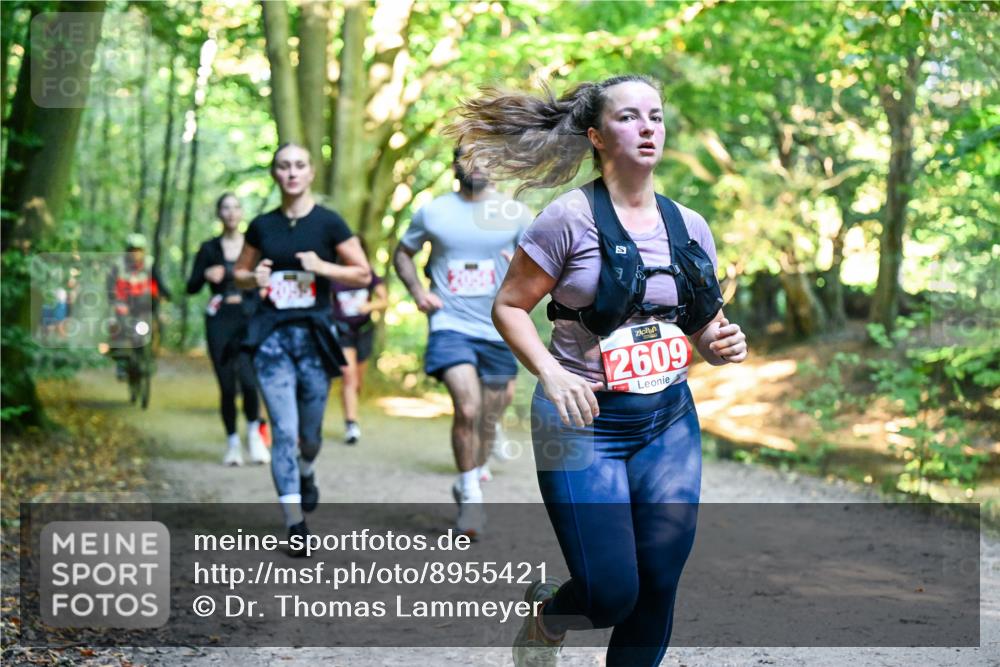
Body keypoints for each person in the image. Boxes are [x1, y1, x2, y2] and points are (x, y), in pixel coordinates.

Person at [450, 75, 748, 666]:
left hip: (667, 420)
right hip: (581, 424)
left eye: (656, 117)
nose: (647, 128)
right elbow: (508, 306)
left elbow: (702, 322)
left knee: (659, 582)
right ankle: (549, 618)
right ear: (596, 136)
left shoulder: (690, 226)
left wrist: (717, 343)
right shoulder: (566, 220)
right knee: (611, 593)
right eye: (629, 117)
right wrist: (548, 372)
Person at [234, 143, 371, 552]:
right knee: (284, 430)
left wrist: (323, 267)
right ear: (275, 174)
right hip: (271, 338)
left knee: (309, 436)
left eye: (299, 166)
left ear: (310, 173)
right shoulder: (261, 226)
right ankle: (294, 523)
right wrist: (251, 278)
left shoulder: (329, 223)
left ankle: (307, 470)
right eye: (283, 166)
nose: (291, 173)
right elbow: (238, 273)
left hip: (315, 339)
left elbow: (363, 272)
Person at [393, 146, 533, 538]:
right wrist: (419, 294)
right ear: (454, 163)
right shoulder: (433, 212)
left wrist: (519, 275)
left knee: (491, 412)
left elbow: (541, 268)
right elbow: (402, 254)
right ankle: (470, 492)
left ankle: (472, 471)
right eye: (468, 156)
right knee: (467, 408)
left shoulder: (515, 214)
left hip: (499, 326)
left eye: (486, 156)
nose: (477, 164)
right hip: (450, 324)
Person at [187, 193, 269, 467]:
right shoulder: (209, 249)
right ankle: (233, 442)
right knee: (226, 385)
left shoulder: (254, 247)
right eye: (225, 208)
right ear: (218, 214)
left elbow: (266, 282)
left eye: (236, 207)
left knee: (249, 382)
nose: (231, 213)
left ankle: (255, 438)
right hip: (220, 320)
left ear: (241, 212)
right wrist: (205, 274)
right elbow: (191, 286)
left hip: (248, 320)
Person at [330, 237, 388, 445]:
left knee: (357, 382)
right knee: (348, 375)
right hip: (343, 331)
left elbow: (384, 300)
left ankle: (351, 409)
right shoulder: (334, 274)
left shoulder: (368, 274)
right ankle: (351, 424)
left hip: (363, 331)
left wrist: (369, 307)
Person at [107, 233, 170, 378]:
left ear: (143, 251)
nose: (135, 253)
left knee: (155, 326)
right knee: (119, 328)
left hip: (144, 306)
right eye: (132, 250)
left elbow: (158, 281)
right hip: (124, 306)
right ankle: (121, 363)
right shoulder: (119, 266)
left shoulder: (149, 264)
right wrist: (114, 300)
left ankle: (150, 356)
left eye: (138, 250)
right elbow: (110, 286)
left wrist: (166, 294)